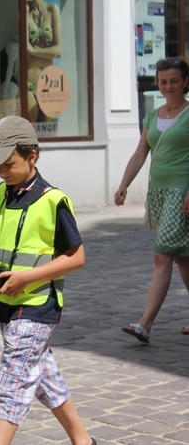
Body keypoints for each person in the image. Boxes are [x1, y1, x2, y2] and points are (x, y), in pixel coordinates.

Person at [0, 116, 95, 445]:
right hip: (7, 301)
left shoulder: (53, 200)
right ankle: (82, 440)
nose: (1, 171)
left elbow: (77, 257)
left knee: (13, 379)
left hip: (37, 304)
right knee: (43, 373)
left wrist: (27, 277)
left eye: (8, 164)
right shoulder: (1, 193)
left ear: (32, 156)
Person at [117, 57, 189, 343]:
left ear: (185, 81)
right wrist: (123, 184)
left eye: (174, 80)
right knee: (183, 257)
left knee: (162, 255)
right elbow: (139, 155)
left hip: (181, 193)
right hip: (158, 192)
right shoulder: (153, 116)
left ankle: (145, 323)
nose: (168, 86)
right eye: (163, 81)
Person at [26, 0, 61, 122]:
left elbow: (59, 51)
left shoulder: (52, 10)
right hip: (29, 83)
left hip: (49, 83)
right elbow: (24, 48)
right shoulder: (26, 13)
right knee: (31, 129)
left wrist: (33, 51)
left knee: (49, 131)